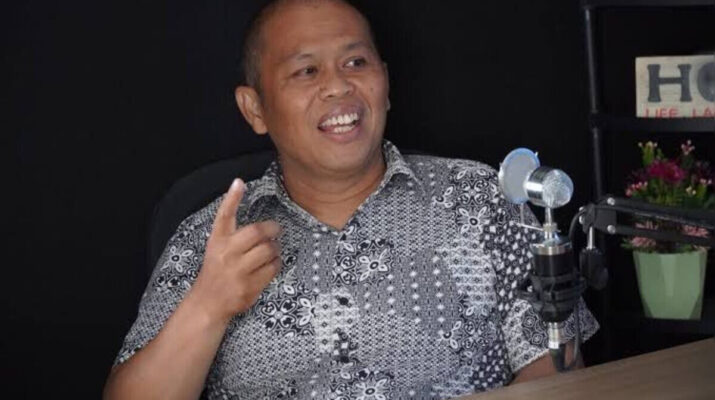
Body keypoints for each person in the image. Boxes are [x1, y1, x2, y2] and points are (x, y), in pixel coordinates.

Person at [104, 0, 598, 399]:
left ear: (386, 83)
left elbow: (559, 367)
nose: (338, 85)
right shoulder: (208, 239)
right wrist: (208, 306)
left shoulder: (483, 198)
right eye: (306, 71)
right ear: (254, 109)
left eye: (356, 62)